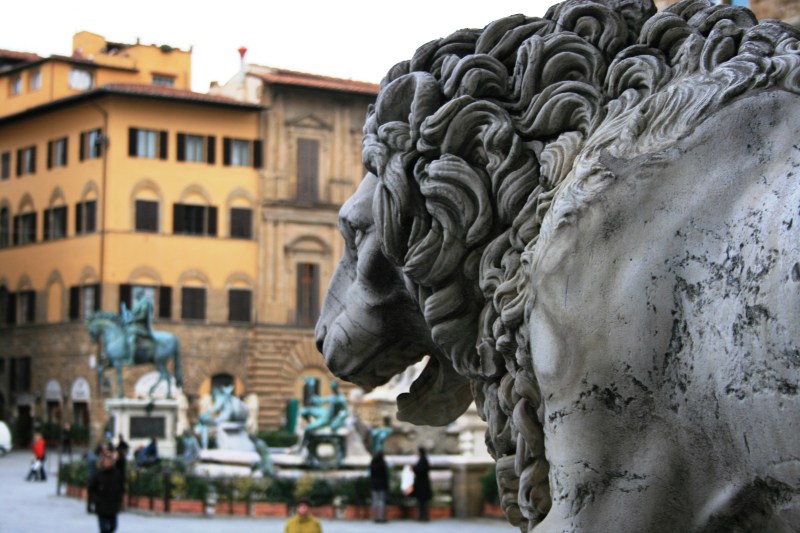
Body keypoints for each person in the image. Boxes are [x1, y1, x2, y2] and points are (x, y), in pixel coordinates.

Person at [88, 451, 125, 533]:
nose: (108, 463)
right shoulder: (98, 475)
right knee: (104, 529)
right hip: (101, 505)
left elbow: (121, 487)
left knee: (113, 527)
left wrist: (120, 499)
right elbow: (92, 489)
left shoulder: (116, 474)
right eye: (106, 461)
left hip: (113, 505)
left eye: (110, 461)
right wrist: (94, 500)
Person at [121, 287, 154, 364]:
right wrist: (127, 313)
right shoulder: (138, 303)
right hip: (134, 325)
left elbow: (142, 316)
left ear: (140, 293)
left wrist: (131, 320)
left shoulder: (144, 302)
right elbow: (134, 314)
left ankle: (131, 359)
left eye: (136, 293)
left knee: (131, 337)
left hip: (141, 327)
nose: (135, 295)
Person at [369, 450, 389, 523]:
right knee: (381, 501)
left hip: (374, 484)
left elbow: (371, 475)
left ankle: (374, 516)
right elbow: (386, 475)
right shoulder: (382, 464)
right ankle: (381, 517)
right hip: (382, 485)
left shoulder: (373, 464)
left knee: (375, 501)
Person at [413, 447, 432, 521]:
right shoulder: (424, 459)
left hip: (422, 485)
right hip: (423, 484)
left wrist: (414, 468)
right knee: (422, 502)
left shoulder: (423, 460)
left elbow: (420, 469)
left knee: (423, 502)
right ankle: (423, 516)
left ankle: (423, 516)